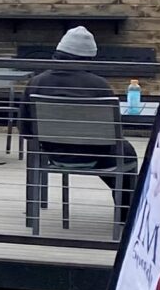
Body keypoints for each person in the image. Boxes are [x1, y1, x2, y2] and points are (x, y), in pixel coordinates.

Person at [25, 24, 137, 226]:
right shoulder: (99, 86)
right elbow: (113, 132)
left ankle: (33, 217)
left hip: (54, 154)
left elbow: (25, 129)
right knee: (126, 152)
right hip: (95, 155)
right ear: (89, 58)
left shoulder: (36, 83)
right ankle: (126, 215)